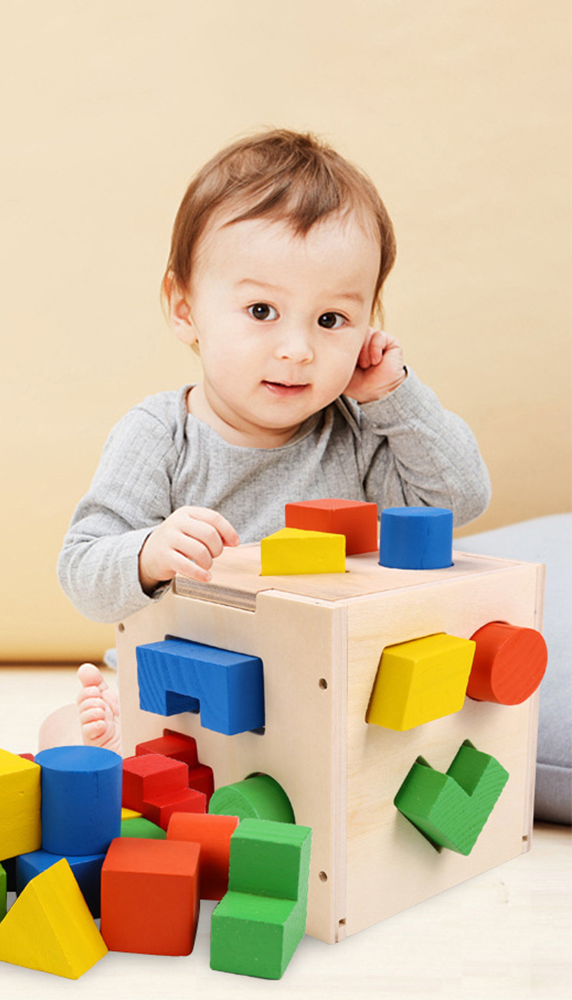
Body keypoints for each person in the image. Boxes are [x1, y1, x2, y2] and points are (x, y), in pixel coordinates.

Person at [55, 128, 491, 752]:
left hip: (321, 689)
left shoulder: (360, 431)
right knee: (76, 733)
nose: (297, 349)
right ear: (184, 308)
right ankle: (99, 736)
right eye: (261, 311)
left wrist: (393, 395)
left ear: (369, 326)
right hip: (182, 682)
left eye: (331, 320)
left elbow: (459, 499)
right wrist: (149, 552)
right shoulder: (159, 435)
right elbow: (82, 570)